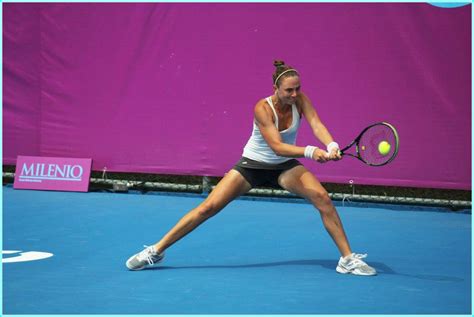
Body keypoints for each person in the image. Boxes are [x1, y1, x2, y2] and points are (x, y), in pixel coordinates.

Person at [126, 60, 376, 276]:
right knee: (207, 208)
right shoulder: (262, 108)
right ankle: (156, 250)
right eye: (289, 90)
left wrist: (331, 144)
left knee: (322, 197)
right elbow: (277, 146)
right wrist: (312, 152)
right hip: (253, 165)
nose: (294, 94)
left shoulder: (300, 100)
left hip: (285, 167)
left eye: (298, 89)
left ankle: (347, 259)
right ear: (275, 89)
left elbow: (316, 123)